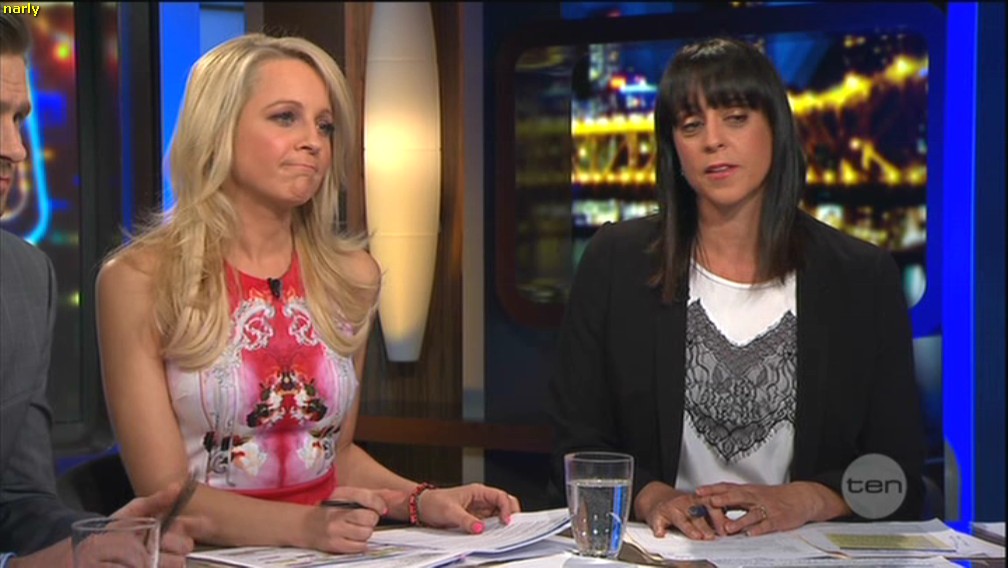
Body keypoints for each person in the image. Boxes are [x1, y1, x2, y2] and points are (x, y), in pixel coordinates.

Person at [96, 32, 520, 554]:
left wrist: (421, 500)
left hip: (327, 554)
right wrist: (303, 528)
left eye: (324, 125)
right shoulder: (139, 280)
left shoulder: (352, 277)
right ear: (217, 129)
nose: (313, 142)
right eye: (285, 118)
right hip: (205, 558)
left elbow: (331, 455)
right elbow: (165, 494)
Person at [548, 37, 926, 541]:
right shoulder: (616, 261)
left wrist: (808, 499)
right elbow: (575, 443)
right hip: (663, 547)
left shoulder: (861, 277)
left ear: (776, 127)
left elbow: (898, 475)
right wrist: (651, 495)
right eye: (691, 125)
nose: (713, 140)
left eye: (735, 118)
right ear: (674, 148)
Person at [1, 12, 201, 567]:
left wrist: (90, 542)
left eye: (17, 118)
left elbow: (18, 501)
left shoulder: (25, 279)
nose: (15, 149)